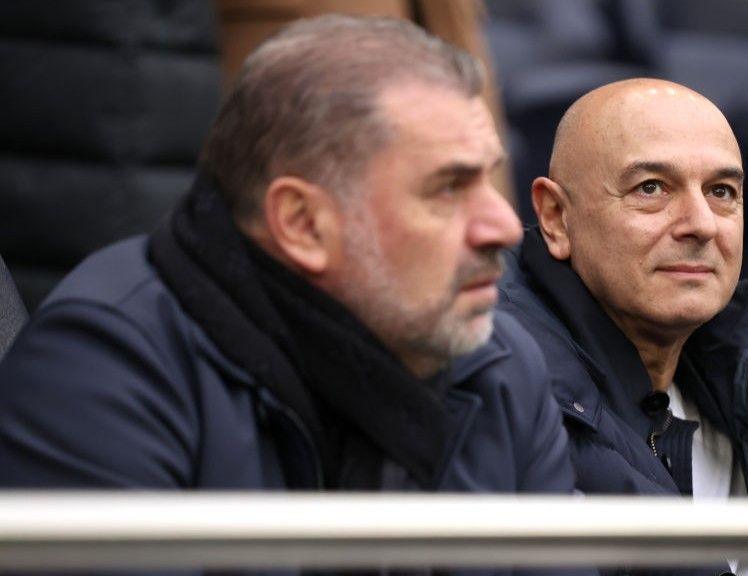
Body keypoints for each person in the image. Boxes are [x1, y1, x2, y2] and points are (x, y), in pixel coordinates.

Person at [0, 15, 574, 498]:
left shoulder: (502, 364)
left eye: (489, 178)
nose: (503, 225)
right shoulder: (104, 369)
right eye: (449, 187)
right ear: (302, 224)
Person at [498, 79, 748, 576]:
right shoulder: (503, 382)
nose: (701, 224)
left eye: (722, 192)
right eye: (652, 188)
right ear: (556, 217)